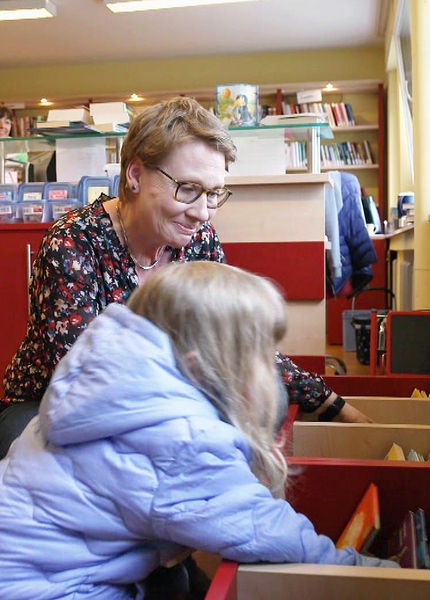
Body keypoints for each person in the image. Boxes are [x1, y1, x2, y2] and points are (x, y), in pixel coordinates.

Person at [0, 261, 398, 600]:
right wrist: (383, 572)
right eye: (260, 354)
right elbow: (267, 532)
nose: (271, 369)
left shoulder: (107, 388)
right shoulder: (184, 441)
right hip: (48, 589)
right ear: (202, 367)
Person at [0, 95, 370, 460]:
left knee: (267, 395)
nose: (203, 214)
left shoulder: (198, 239)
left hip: (168, 392)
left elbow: (238, 335)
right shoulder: (72, 241)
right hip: (54, 402)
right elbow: (82, 377)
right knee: (33, 451)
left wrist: (331, 404)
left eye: (212, 194)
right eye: (189, 189)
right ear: (135, 175)